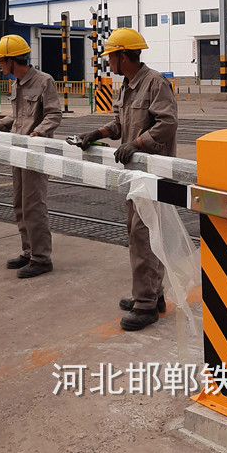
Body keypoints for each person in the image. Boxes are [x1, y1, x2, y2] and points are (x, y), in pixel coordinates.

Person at [76, 28, 178, 331]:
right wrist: (98, 133)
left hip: (152, 173)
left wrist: (139, 143)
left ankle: (145, 304)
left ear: (123, 56)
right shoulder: (128, 85)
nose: (109, 62)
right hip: (134, 173)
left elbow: (168, 123)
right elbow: (121, 124)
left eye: (111, 57)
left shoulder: (155, 83)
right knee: (143, 232)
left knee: (141, 233)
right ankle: (153, 293)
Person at [0, 34, 62, 278]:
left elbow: (54, 115)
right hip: (17, 151)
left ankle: (42, 258)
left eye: (1, 62)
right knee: (20, 204)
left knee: (34, 206)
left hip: (35, 152)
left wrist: (38, 133)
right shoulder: (16, 84)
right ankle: (29, 251)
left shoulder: (44, 81)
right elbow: (16, 117)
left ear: (12, 60)